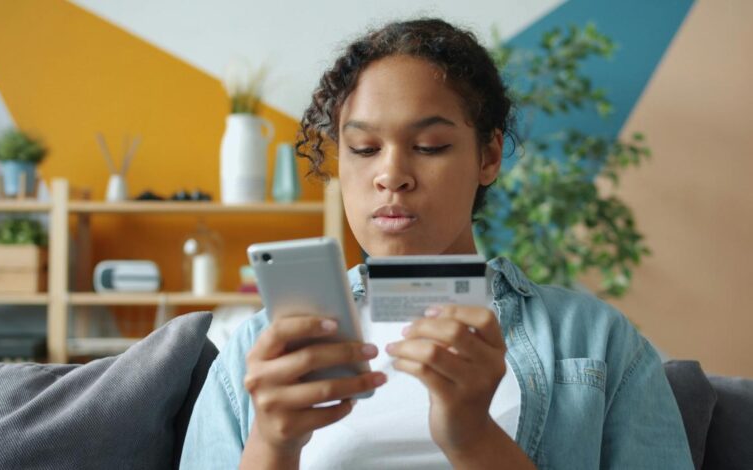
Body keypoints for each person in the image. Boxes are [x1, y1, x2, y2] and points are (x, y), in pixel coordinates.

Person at [180, 18, 693, 469]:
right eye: (363, 148)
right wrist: (272, 444)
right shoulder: (257, 351)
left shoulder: (597, 343)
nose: (392, 175)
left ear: (488, 156)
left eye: (429, 146)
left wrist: (471, 437)